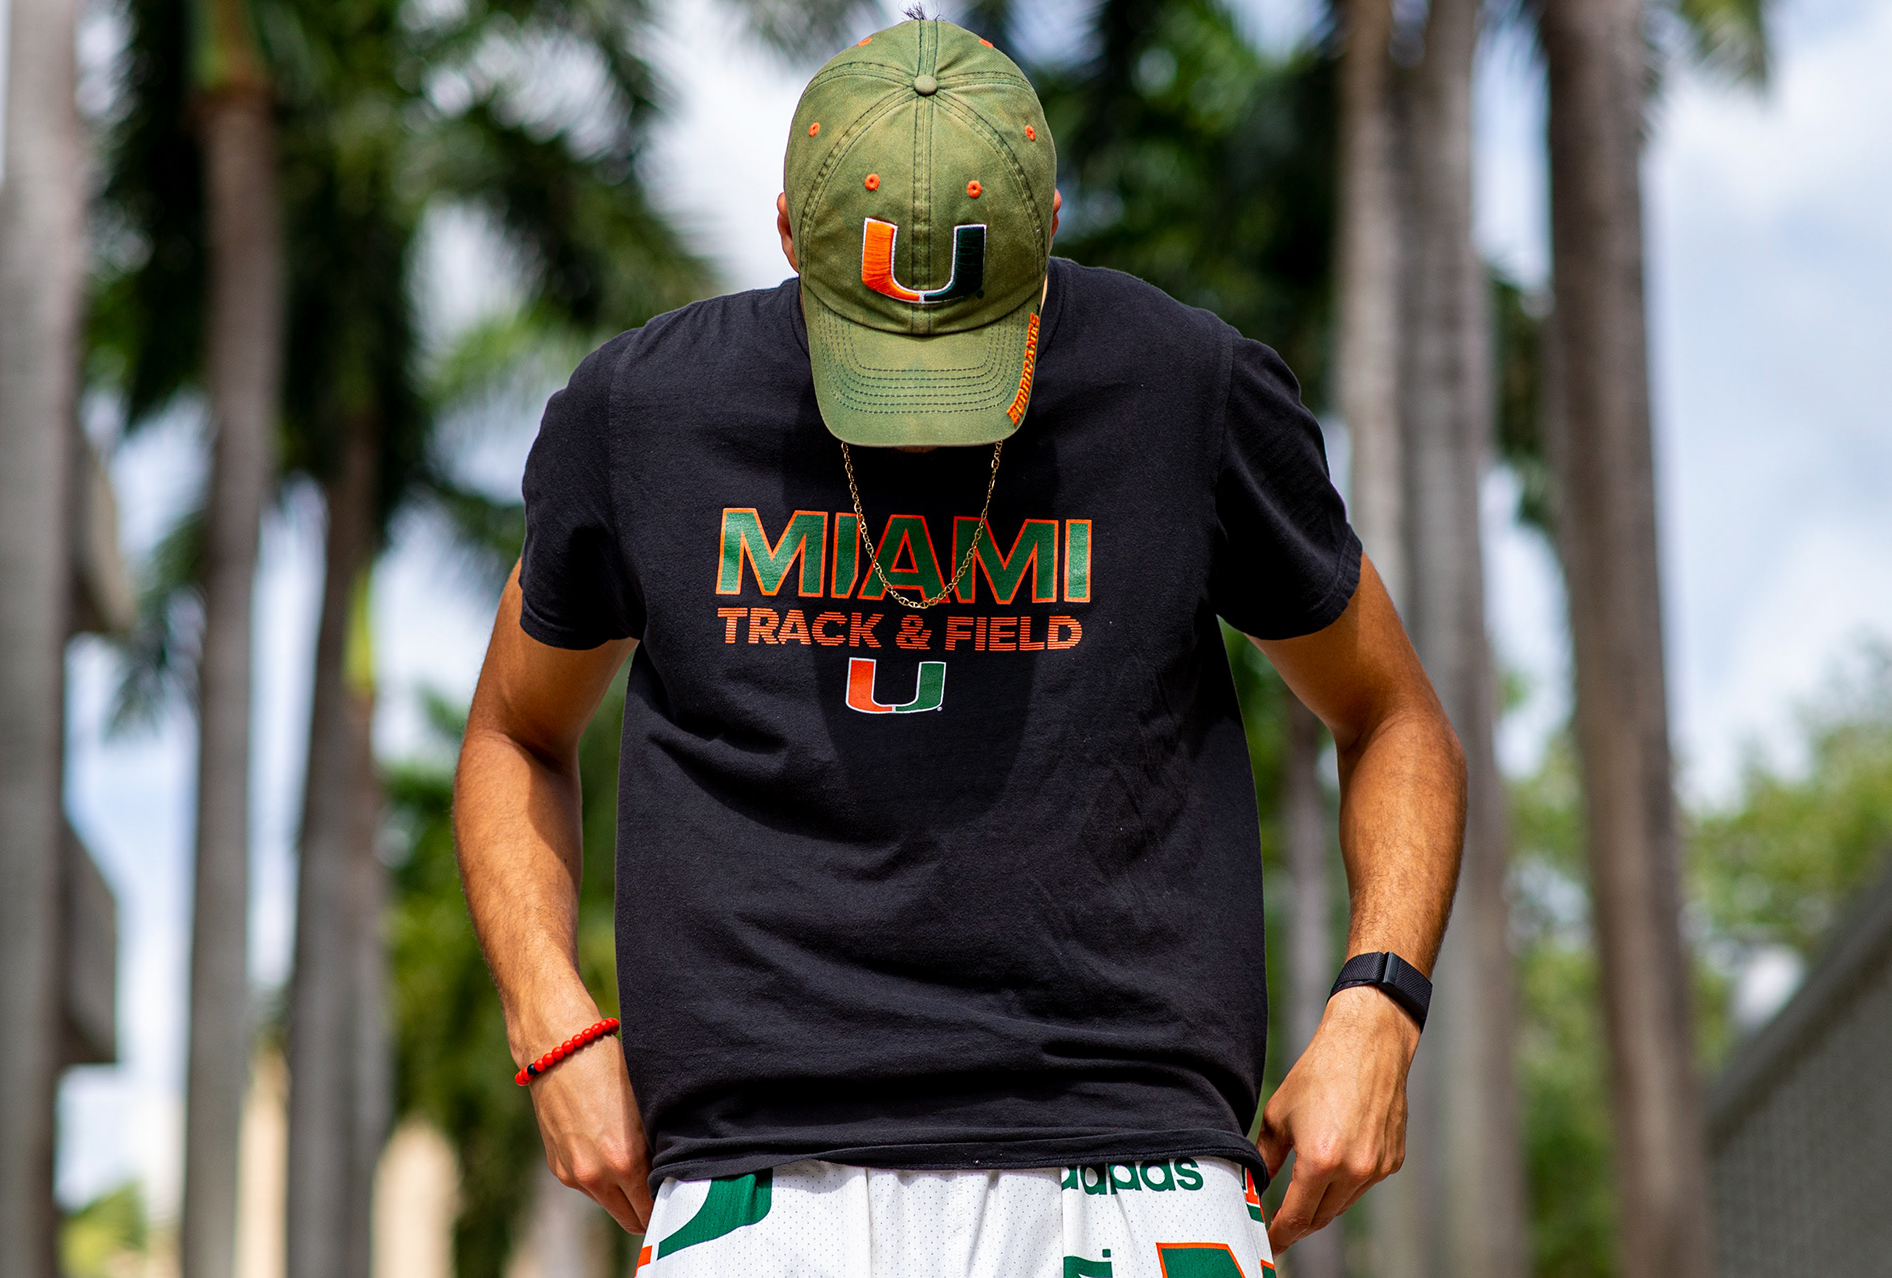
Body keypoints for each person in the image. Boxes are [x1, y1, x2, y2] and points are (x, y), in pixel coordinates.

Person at [454, 16, 1464, 1278]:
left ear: (1049, 241)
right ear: (788, 236)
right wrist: (550, 1021)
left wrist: (1379, 1006)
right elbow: (514, 731)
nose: (924, 420)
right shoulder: (647, 413)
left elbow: (1394, 716)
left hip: (1131, 1155)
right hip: (755, 1174)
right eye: (880, 359)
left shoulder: (1184, 389)